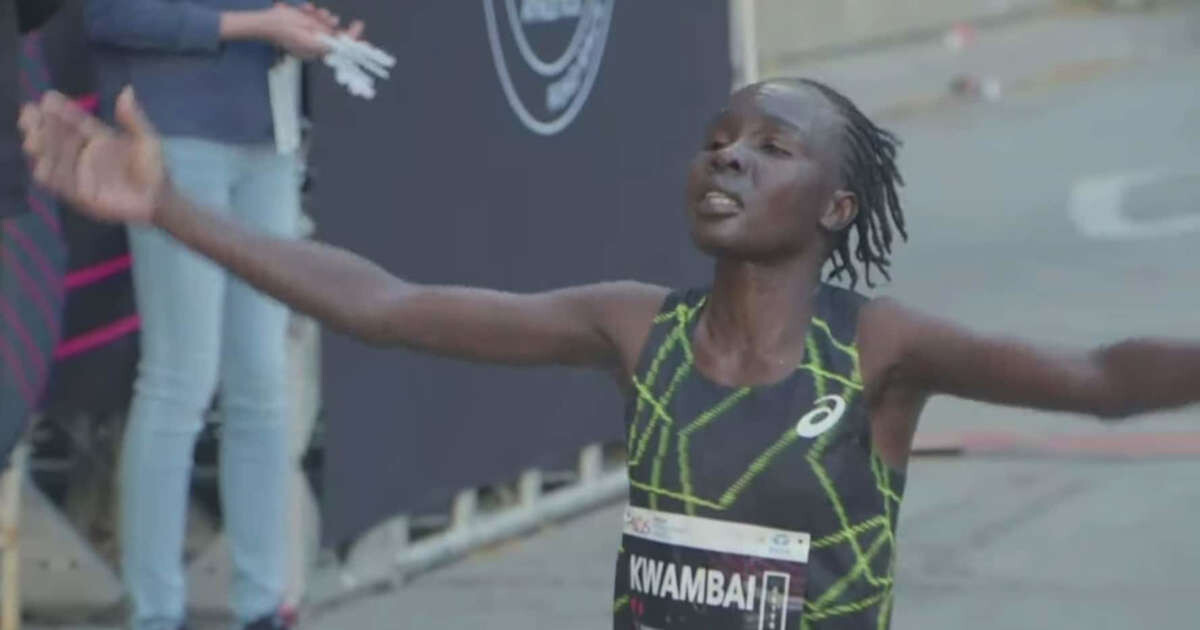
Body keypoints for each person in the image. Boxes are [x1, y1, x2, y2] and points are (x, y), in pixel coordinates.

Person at [18, 78, 1200, 630]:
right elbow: (384, 305)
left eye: (772, 146)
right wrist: (168, 210)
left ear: (838, 206)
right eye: (717, 138)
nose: (728, 156)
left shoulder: (878, 348)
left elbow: (1102, 380)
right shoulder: (636, 327)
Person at [78, 2, 360, 629]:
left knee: (260, 379)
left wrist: (310, 30)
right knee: (181, 377)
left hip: (268, 136)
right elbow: (109, 14)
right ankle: (157, 612)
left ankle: (262, 606)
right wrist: (259, 24)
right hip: (173, 135)